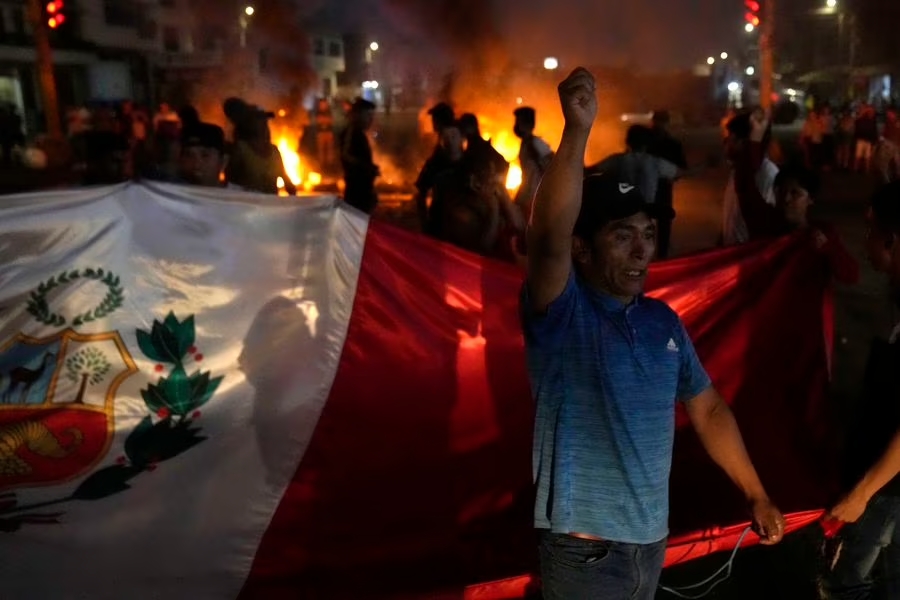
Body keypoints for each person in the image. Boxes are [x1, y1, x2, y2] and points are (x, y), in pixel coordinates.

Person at [521, 67, 784, 600]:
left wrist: (756, 493)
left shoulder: (663, 322)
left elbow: (707, 409)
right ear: (582, 249)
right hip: (586, 551)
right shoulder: (564, 316)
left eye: (647, 233)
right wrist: (576, 132)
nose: (644, 250)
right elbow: (547, 235)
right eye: (623, 236)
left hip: (650, 543)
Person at [820, 181, 900, 600]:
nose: (865, 238)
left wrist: (860, 495)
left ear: (892, 240)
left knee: (843, 584)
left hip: (887, 489)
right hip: (888, 485)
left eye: (870, 229)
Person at [177, 122, 227, 188]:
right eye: (189, 155)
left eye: (205, 155)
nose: (196, 165)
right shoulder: (168, 193)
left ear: (223, 162)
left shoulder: (238, 196)